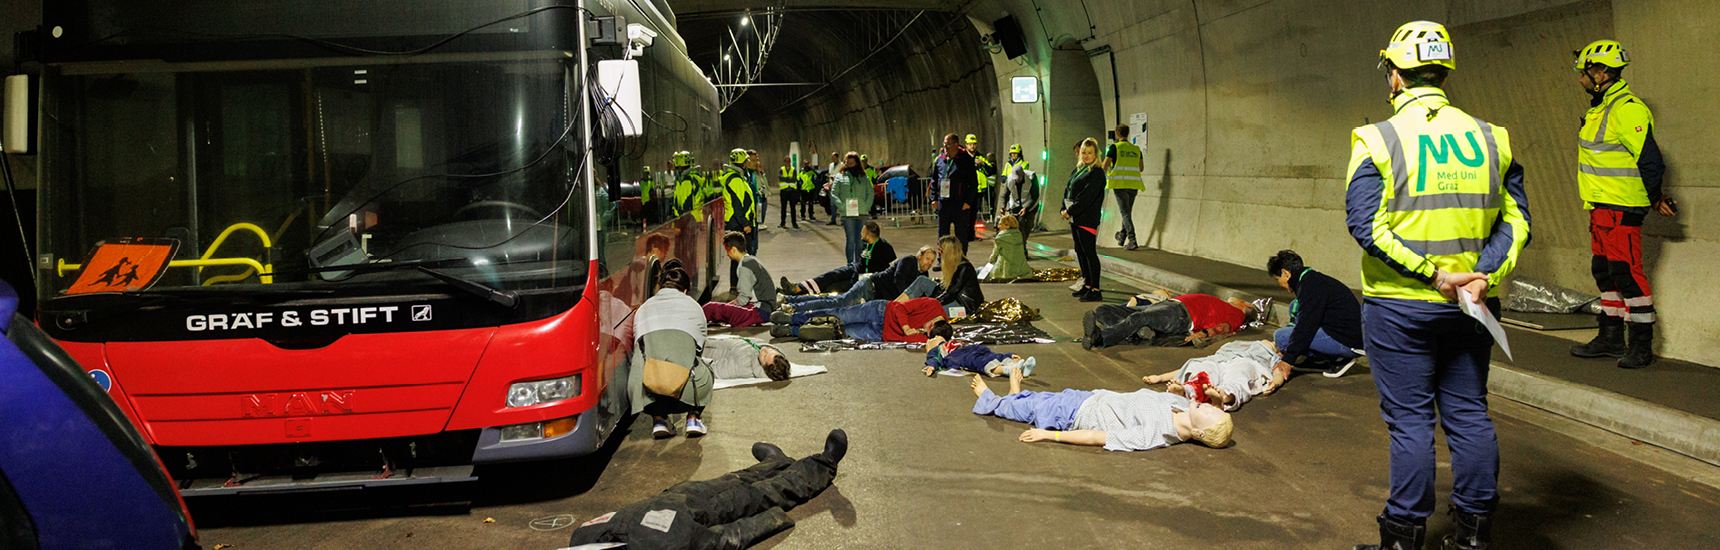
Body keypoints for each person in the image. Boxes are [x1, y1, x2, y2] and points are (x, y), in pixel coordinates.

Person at [1346, 22, 1530, 550]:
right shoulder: (1493, 137)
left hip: (1399, 308)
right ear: (1445, 72)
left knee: (1410, 424)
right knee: (1470, 415)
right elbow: (1517, 222)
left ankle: (1403, 539)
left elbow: (1366, 227)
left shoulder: (1377, 137)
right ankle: (1473, 537)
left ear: (1395, 75)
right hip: (1471, 307)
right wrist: (1482, 276)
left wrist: (1432, 275)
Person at [1565, 40, 1675, 369]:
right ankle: (1611, 338)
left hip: (1622, 208)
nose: (1580, 78)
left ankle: (1641, 345)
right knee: (1605, 272)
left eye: (1584, 72)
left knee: (1627, 274)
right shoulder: (1600, 109)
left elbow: (1651, 160)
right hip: (1600, 207)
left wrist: (1654, 197)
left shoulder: (1627, 109)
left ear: (1600, 73)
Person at [566, 430, 848, 550]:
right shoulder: (668, 546)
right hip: (704, 515)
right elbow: (725, 539)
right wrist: (772, 519)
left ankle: (776, 462)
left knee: (735, 478)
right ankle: (824, 465)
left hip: (676, 497)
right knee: (766, 492)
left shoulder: (582, 537)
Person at [968, 368, 1233, 451]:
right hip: (1092, 397)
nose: (1207, 407)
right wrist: (1216, 403)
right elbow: (1203, 406)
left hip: (1076, 415)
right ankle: (1017, 397)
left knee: (1032, 409)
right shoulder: (1183, 407)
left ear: (1197, 433)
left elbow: (1097, 438)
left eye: (1210, 413)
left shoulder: (1153, 435)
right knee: (1037, 401)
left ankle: (992, 401)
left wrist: (1048, 435)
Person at [629, 260, 713, 439]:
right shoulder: (694, 306)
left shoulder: (643, 309)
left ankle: (659, 420)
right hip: (684, 393)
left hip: (649, 393)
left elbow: (638, 344)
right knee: (706, 367)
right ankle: (693, 418)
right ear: (684, 290)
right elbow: (698, 349)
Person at [1266, 250, 1365, 381]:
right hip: (1347, 332)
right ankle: (1318, 358)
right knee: (1294, 306)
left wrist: (1288, 358)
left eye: (1278, 279)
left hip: (1348, 342)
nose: (1279, 284)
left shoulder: (1310, 287)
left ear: (1285, 273)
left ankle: (1338, 359)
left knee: (1281, 337)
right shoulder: (1311, 279)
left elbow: (1305, 327)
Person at [1082, 291, 1253, 350]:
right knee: (1103, 310)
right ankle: (1139, 331)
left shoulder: (1238, 314)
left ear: (1244, 305)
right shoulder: (1223, 306)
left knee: (1139, 317)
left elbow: (1224, 328)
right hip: (1170, 306)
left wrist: (1204, 333)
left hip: (1181, 314)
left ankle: (1101, 338)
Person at [1142, 340, 1280, 411]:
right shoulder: (1233, 345)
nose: (1271, 343)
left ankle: (1224, 395)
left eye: (1273, 344)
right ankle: (1188, 390)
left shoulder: (1271, 356)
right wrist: (1160, 377)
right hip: (1220, 359)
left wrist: (1276, 381)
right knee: (1205, 368)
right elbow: (1195, 363)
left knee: (1240, 374)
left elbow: (1280, 370)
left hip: (1249, 362)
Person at [781, 221, 896, 296]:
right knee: (831, 275)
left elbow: (894, 267)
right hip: (855, 269)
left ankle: (796, 295)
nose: (861, 233)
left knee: (832, 288)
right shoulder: (866, 244)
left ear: (869, 235)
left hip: (865, 279)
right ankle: (797, 288)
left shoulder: (884, 246)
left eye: (863, 231)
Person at [769, 296, 946, 343]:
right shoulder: (932, 305)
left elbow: (910, 339)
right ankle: (793, 318)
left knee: (836, 332)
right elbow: (901, 307)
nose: (923, 330)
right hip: (880, 311)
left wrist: (914, 334)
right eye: (926, 328)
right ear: (933, 321)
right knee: (836, 314)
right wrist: (906, 326)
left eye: (926, 334)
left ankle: (790, 331)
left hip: (878, 334)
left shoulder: (935, 335)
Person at [1062, 137, 1108, 302]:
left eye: (1090, 152)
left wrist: (1070, 210)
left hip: (1087, 218)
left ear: (1096, 154)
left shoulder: (1097, 173)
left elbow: (1086, 197)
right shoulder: (1079, 169)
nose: (1086, 155)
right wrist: (1064, 207)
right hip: (1076, 218)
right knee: (1080, 251)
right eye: (1084, 152)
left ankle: (1096, 289)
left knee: (1089, 253)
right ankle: (1087, 285)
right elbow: (1069, 190)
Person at [704, 232, 778, 328]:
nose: (727, 254)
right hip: (766, 308)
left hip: (761, 311)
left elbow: (743, 299)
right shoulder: (751, 260)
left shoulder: (745, 266)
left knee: (711, 307)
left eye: (728, 250)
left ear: (734, 249)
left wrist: (727, 306)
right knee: (722, 309)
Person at [921, 320, 1035, 377]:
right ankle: (1008, 370)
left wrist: (1008, 355)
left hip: (973, 349)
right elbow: (933, 358)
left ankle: (1017, 366)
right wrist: (931, 366)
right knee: (982, 362)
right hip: (963, 357)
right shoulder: (937, 349)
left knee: (992, 356)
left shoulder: (953, 342)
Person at [931, 133, 979, 252]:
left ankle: (961, 259)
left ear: (956, 144)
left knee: (961, 234)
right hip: (944, 202)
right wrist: (934, 198)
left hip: (960, 203)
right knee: (942, 233)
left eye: (947, 144)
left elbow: (973, 183)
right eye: (944, 144)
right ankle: (942, 258)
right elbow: (934, 180)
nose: (945, 146)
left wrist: (968, 201)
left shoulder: (965, 160)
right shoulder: (940, 159)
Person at [719, 149, 758, 292]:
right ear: (741, 163)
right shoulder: (735, 179)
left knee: (738, 257)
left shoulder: (737, 177)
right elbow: (738, 204)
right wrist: (745, 224)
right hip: (738, 224)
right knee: (741, 257)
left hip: (737, 223)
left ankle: (736, 286)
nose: (748, 163)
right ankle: (738, 287)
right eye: (746, 160)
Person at [1102, 124, 1147, 250]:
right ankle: (1122, 236)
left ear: (1117, 134)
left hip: (1120, 185)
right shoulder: (1136, 149)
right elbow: (1141, 168)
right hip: (1133, 185)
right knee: (1127, 212)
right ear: (1128, 133)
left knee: (1125, 213)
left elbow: (1104, 167)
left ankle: (1132, 240)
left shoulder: (1114, 148)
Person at [831, 152, 876, 267]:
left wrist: (866, 206)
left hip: (861, 212)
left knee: (860, 240)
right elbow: (834, 193)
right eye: (847, 162)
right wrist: (841, 206)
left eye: (852, 163)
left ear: (856, 163)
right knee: (850, 240)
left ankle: (859, 264)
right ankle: (850, 265)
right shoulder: (840, 177)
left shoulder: (863, 177)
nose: (849, 165)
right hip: (847, 213)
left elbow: (870, 192)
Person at [703, 335, 791, 382]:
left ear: (763, 367)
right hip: (712, 341)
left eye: (765, 356)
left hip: (704, 349)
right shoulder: (774, 355)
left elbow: (715, 369)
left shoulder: (743, 365)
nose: (765, 349)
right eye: (770, 350)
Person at [934, 235, 985, 314]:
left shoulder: (964, 268)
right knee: (922, 281)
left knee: (928, 311)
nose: (940, 254)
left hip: (965, 307)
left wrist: (931, 303)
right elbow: (942, 288)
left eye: (941, 251)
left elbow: (950, 294)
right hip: (955, 299)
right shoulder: (953, 264)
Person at [997, 163, 1039, 241]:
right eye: (1015, 178)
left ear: (1023, 174)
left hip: (1030, 204)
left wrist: (1026, 208)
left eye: (1019, 178)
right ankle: (1021, 245)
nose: (1017, 180)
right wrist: (1003, 206)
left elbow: (1035, 196)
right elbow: (1004, 194)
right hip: (1016, 205)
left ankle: (1023, 242)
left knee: (1029, 224)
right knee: (1020, 224)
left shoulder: (1031, 177)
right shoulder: (1010, 179)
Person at [985, 214, 1032, 280]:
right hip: (1021, 270)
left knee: (978, 270)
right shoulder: (1019, 235)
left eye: (1000, 224)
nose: (998, 226)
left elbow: (994, 255)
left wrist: (991, 261)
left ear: (1007, 226)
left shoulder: (1000, 237)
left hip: (1005, 270)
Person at [672, 151, 709, 218]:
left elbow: (689, 202)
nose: (676, 169)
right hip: (684, 218)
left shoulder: (690, 180)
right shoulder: (680, 180)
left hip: (692, 218)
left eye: (678, 167)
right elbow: (677, 199)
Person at [967, 134, 995, 217]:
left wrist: (983, 164)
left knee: (975, 211)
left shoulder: (980, 157)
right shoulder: (963, 157)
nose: (972, 146)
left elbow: (990, 171)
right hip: (967, 189)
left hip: (979, 189)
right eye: (970, 144)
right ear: (966, 145)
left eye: (974, 144)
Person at [778, 156, 800, 229]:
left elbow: (794, 179)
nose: (787, 162)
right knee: (783, 208)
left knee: (793, 208)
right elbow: (780, 178)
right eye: (786, 161)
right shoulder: (781, 169)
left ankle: (794, 223)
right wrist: (788, 179)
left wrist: (785, 178)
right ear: (784, 162)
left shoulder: (794, 170)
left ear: (790, 162)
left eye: (788, 161)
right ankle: (782, 223)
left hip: (792, 191)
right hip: (784, 191)